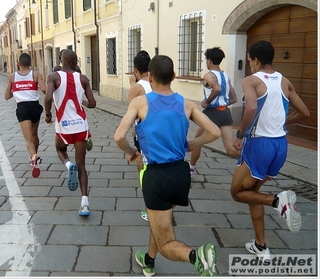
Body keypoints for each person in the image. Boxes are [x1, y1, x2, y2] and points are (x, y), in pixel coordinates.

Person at [114, 55, 221, 276]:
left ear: (149, 76)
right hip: (180, 175)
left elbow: (119, 137)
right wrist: (194, 143)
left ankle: (196, 256)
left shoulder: (140, 102)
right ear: (173, 76)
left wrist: (131, 152)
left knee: (166, 243)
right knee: (160, 220)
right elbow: (216, 132)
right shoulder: (187, 104)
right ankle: (149, 262)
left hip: (156, 176)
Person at [230, 40, 310, 262]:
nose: (250, 65)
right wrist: (283, 121)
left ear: (255, 60)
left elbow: (252, 107)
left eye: (249, 61)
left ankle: (278, 201)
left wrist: (240, 135)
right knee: (253, 193)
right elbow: (304, 112)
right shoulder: (284, 81)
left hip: (258, 145)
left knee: (237, 193)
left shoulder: (251, 80)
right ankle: (260, 246)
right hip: (280, 146)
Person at [44, 49, 96, 216]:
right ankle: (85, 204)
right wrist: (83, 104)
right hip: (81, 126)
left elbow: (47, 97)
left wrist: (48, 114)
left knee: (60, 149)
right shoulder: (83, 79)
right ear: (75, 62)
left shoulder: (54, 77)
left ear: (61, 61)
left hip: (63, 127)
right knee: (82, 165)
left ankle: (68, 165)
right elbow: (93, 103)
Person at [189, 47, 239, 175]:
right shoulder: (226, 76)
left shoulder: (208, 75)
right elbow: (234, 99)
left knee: (197, 141)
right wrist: (222, 103)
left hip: (212, 114)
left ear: (209, 61)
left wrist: (207, 102)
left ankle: (191, 169)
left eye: (206, 60)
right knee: (231, 150)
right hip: (225, 113)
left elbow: (216, 88)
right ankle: (253, 162)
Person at [4, 53, 46, 178]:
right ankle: (35, 156)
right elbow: (44, 90)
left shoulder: (12, 76)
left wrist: (17, 90)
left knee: (28, 139)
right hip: (35, 107)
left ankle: (33, 157)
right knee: (34, 134)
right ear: (31, 63)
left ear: (18, 63)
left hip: (22, 108)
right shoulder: (36, 75)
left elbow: (6, 96)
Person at [128, 50, 152, 222]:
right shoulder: (157, 81)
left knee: (143, 170)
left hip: (143, 131)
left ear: (136, 70)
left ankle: (149, 209)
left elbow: (132, 110)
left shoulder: (137, 87)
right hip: (159, 130)